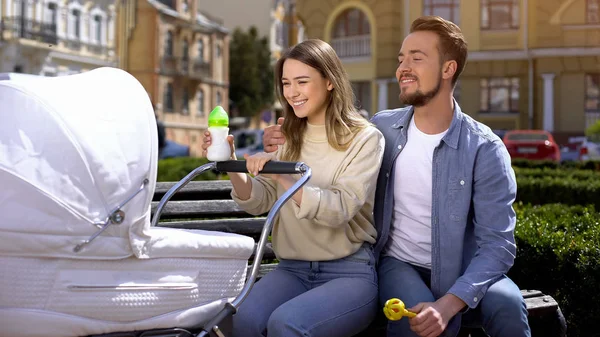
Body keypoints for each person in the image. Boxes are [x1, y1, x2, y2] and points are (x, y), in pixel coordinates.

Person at [262, 16, 531, 337]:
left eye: (417, 58)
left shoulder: (485, 147)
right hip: (399, 264)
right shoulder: (382, 129)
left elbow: (498, 245)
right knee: (417, 323)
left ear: (449, 69)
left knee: (509, 307)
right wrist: (282, 138)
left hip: (465, 267)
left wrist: (450, 302)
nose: (403, 67)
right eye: (401, 58)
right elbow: (330, 138)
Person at [202, 39, 385, 337]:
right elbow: (259, 201)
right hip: (292, 270)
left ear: (329, 81)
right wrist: (232, 161)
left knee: (286, 324)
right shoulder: (288, 135)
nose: (292, 92)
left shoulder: (365, 139)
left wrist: (282, 176)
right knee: (240, 321)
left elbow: (339, 209)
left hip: (349, 272)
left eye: (302, 81)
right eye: (287, 83)